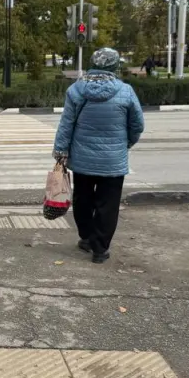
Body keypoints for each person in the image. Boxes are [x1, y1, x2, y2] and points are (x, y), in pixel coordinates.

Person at [52, 48, 144, 264]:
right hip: (113, 161)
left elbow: (66, 124)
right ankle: (100, 250)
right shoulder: (126, 91)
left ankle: (85, 237)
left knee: (83, 199)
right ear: (114, 67)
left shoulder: (76, 90)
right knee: (108, 204)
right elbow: (137, 125)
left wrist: (60, 151)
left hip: (82, 160)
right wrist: (126, 143)